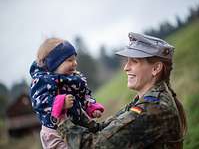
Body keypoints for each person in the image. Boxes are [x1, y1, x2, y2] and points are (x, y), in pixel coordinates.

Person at [56, 32, 187, 149]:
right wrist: (74, 109)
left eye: (134, 61)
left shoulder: (152, 108)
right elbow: (101, 129)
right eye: (127, 61)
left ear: (156, 68)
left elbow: (93, 146)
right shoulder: (145, 100)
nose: (126, 67)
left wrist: (60, 119)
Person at [29, 38, 104, 149]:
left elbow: (84, 94)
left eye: (75, 59)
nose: (75, 63)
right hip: (54, 132)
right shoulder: (42, 81)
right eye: (69, 60)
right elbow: (39, 103)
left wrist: (91, 107)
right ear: (54, 63)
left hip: (75, 125)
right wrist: (60, 103)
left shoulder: (74, 78)